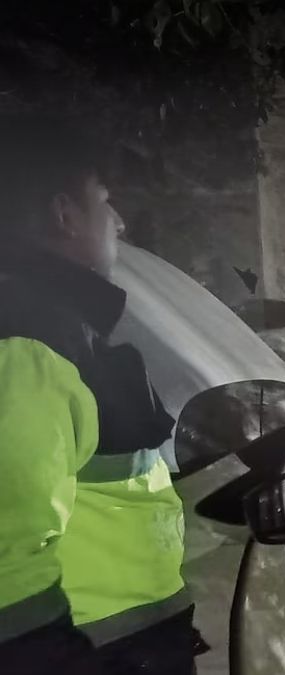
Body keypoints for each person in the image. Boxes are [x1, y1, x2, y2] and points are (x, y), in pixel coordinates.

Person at [0, 116, 195, 674]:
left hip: (122, 641)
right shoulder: (29, 338)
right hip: (98, 649)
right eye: (105, 202)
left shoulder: (57, 326)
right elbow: (7, 548)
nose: (120, 222)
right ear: (64, 215)